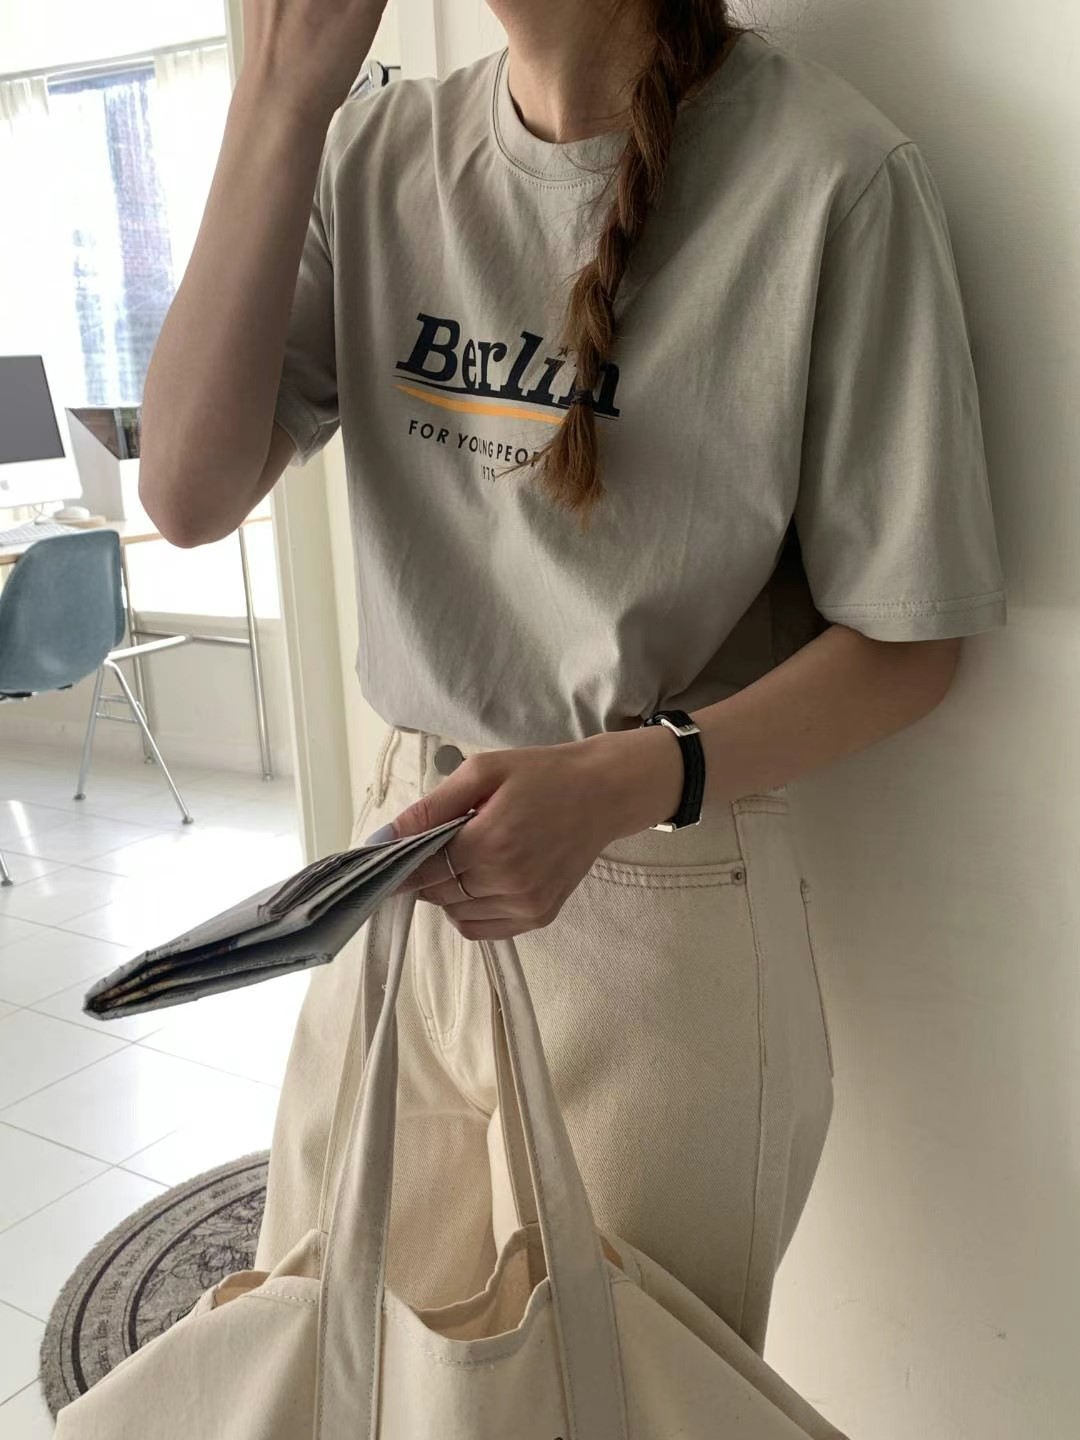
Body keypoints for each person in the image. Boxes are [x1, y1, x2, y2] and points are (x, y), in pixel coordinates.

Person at [138, 0, 1007, 1356]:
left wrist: (610, 788)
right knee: (339, 1363)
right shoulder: (373, 151)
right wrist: (276, 100)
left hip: (657, 898)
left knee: (604, 1398)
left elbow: (910, 645)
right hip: (399, 871)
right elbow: (187, 495)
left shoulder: (830, 174)